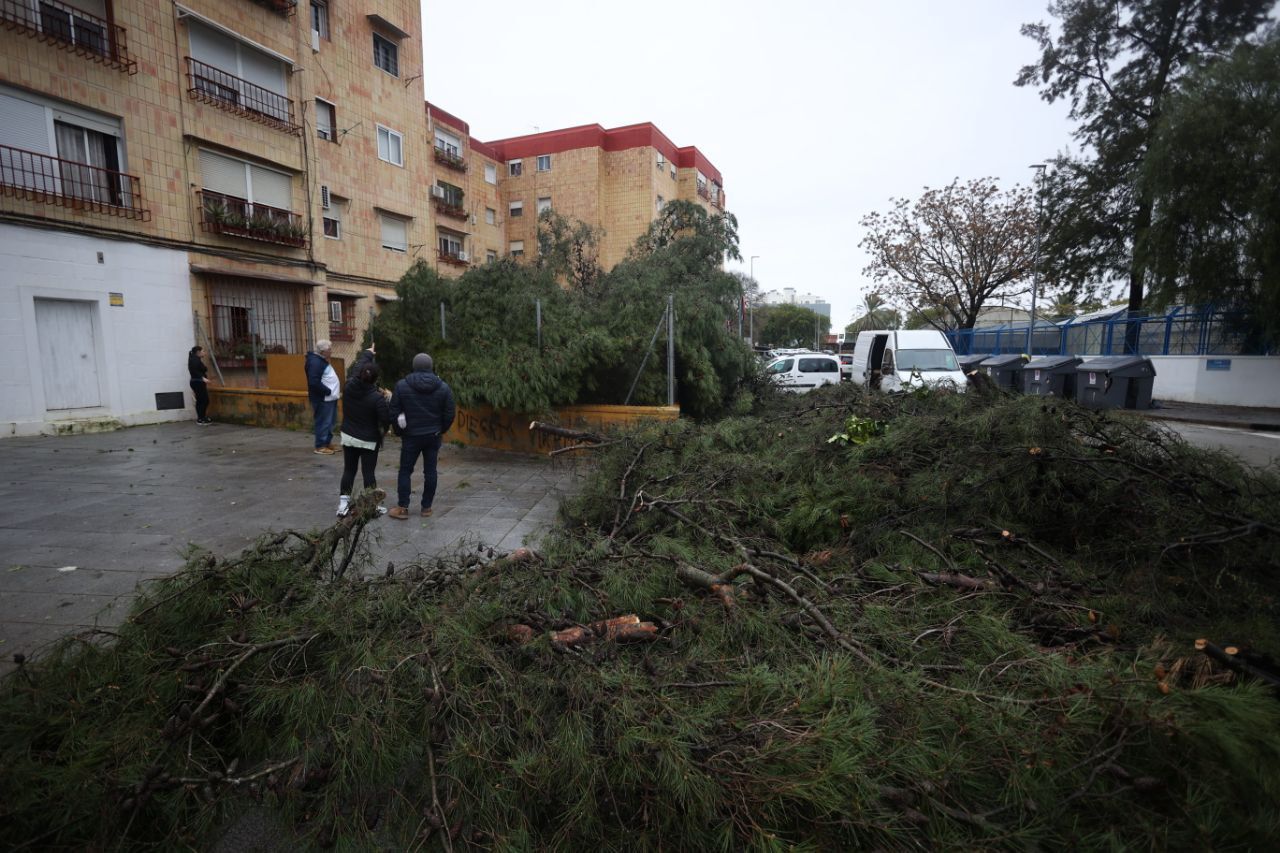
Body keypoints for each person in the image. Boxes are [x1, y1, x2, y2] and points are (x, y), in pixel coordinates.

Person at [387, 352, 455, 520]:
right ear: (431, 367)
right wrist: (441, 429)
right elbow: (450, 413)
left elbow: (393, 411)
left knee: (405, 470)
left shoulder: (402, 386)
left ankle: (403, 507)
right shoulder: (443, 387)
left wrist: (399, 431)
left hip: (411, 435)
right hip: (433, 435)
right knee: (431, 471)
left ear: (414, 366)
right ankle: (426, 508)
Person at [336, 344, 391, 517]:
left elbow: (358, 367)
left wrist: (367, 353)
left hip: (349, 436)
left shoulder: (350, 385)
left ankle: (343, 505)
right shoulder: (377, 398)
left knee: (349, 470)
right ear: (375, 379)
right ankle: (371, 507)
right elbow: (385, 419)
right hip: (368, 440)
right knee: (368, 472)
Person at [305, 340, 340, 455]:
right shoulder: (315, 362)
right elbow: (313, 382)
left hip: (330, 398)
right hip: (323, 398)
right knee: (323, 422)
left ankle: (326, 443)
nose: (331, 351)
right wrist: (327, 391)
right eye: (329, 349)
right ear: (322, 351)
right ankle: (320, 446)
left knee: (330, 422)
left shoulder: (321, 360)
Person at [188, 345, 212, 425]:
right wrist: (202, 378)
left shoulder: (195, 359)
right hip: (197, 382)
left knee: (201, 400)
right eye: (203, 351)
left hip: (197, 382)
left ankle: (201, 418)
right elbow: (194, 371)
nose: (204, 353)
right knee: (204, 400)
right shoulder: (194, 360)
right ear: (198, 352)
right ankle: (201, 418)